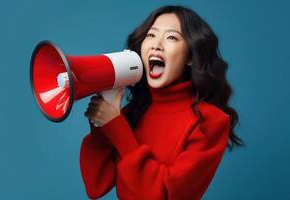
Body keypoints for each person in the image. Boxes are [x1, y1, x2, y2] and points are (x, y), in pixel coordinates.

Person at [81, 5, 245, 200]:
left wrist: (116, 127)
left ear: (190, 57)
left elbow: (166, 195)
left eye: (171, 37)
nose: (156, 45)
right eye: (151, 36)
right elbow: (95, 186)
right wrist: (101, 125)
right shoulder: (131, 115)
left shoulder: (210, 121)